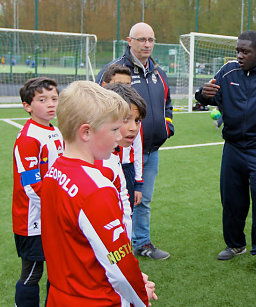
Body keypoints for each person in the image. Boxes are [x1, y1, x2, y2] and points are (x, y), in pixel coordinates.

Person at [41, 81, 157, 306]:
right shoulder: (96, 189)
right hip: (95, 298)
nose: (118, 136)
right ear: (86, 132)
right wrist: (140, 295)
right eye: (114, 129)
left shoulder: (53, 172)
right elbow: (118, 264)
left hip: (61, 294)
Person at [194, 30, 256, 277]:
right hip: (233, 148)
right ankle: (235, 244)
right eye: (237, 50)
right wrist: (203, 95)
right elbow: (204, 96)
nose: (239, 55)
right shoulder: (227, 72)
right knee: (232, 200)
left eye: (245, 51)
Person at [96, 22, 174, 260]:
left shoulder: (159, 73)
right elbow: (96, 104)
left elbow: (167, 104)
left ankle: (141, 243)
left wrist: (166, 127)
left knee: (143, 199)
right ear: (129, 41)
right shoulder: (114, 72)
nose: (147, 44)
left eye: (150, 40)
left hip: (150, 150)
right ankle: (111, 247)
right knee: (115, 201)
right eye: (141, 40)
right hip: (117, 154)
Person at [12, 77, 63, 307]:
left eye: (54, 98)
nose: (51, 104)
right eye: (42, 100)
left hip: (55, 214)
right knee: (33, 272)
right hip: (32, 219)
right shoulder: (28, 138)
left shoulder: (56, 131)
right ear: (27, 106)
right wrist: (58, 206)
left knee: (57, 269)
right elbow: (31, 185)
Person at [104, 82, 147, 211]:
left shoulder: (115, 160)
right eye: (125, 119)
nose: (134, 128)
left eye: (137, 120)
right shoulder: (94, 164)